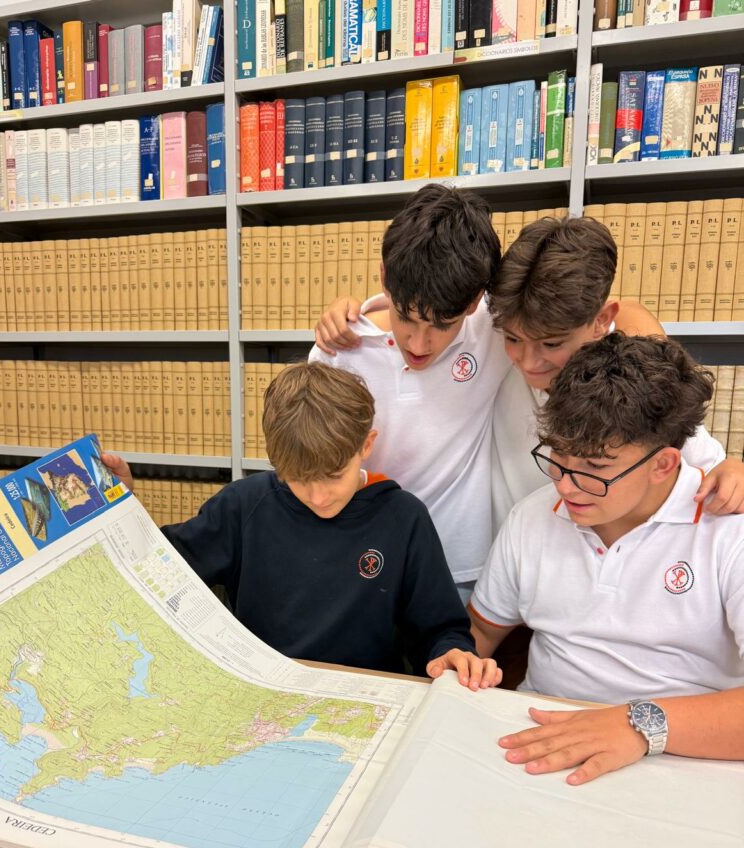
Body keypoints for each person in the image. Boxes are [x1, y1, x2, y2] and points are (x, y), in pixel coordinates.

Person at [315, 214, 744, 560]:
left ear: (599, 321)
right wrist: (354, 309)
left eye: (552, 345)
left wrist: (731, 466)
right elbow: (421, 301)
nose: (528, 362)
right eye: (514, 341)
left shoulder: (625, 386)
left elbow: (691, 445)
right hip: (497, 565)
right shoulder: (490, 324)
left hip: (587, 572)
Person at [102, 362, 500, 686]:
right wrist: (124, 507)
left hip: (363, 701)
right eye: (298, 480)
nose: (319, 497)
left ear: (366, 445)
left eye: (333, 477)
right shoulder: (244, 505)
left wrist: (451, 654)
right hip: (261, 695)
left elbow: (440, 629)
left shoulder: (404, 518)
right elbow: (157, 569)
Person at [467, 333, 744, 783]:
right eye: (558, 455)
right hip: (535, 742)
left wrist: (640, 724)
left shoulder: (730, 530)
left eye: (595, 469)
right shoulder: (533, 517)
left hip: (685, 759)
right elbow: (480, 631)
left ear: (664, 464)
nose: (566, 486)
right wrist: (457, 660)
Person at [310, 182, 509, 602]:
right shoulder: (337, 350)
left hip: (459, 572)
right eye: (406, 318)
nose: (419, 345)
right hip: (361, 567)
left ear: (474, 301)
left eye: (442, 325)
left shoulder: (496, 328)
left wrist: (690, 458)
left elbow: (607, 315)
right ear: (384, 278)